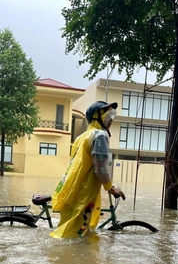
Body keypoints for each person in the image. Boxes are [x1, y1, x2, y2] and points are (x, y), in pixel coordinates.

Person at [50, 101, 126, 239]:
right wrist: (110, 188)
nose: (111, 121)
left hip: (71, 189)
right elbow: (101, 168)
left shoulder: (81, 137)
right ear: (98, 117)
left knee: (69, 233)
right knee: (73, 235)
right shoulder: (99, 136)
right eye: (108, 116)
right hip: (83, 193)